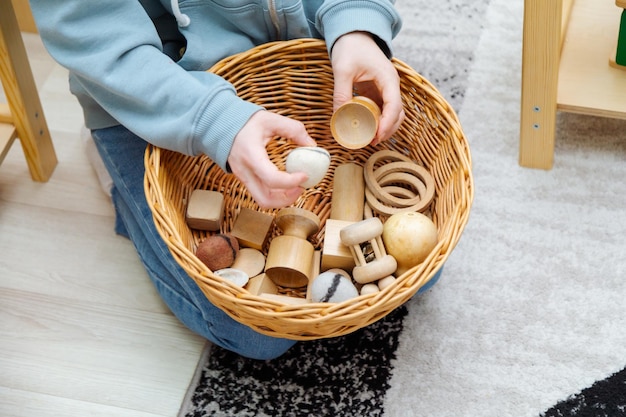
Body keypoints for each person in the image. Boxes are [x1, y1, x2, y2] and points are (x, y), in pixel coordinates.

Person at [29, 0, 406, 360]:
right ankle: (123, 183)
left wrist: (356, 21)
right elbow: (90, 27)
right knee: (252, 330)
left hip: (297, 46)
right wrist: (213, 119)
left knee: (416, 273)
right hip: (153, 86)